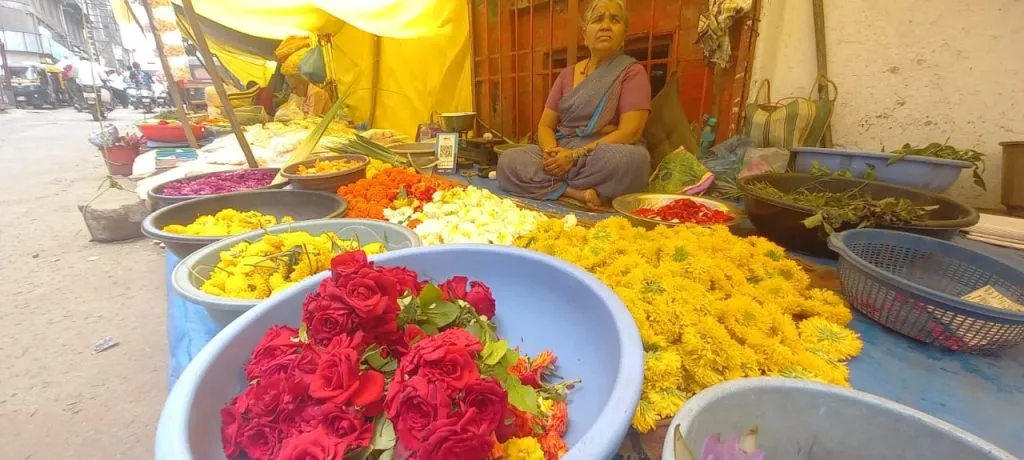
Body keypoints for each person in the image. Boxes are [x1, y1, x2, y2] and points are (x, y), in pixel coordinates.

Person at [497, 0, 651, 210]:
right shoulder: (566, 75)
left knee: (634, 161)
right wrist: (552, 153)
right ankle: (576, 193)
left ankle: (552, 186)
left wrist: (575, 156)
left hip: (601, 154)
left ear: (624, 34)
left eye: (614, 20)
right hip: (563, 151)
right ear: (584, 33)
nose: (606, 25)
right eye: (598, 19)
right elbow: (545, 125)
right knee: (509, 160)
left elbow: (631, 131)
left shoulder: (632, 72)